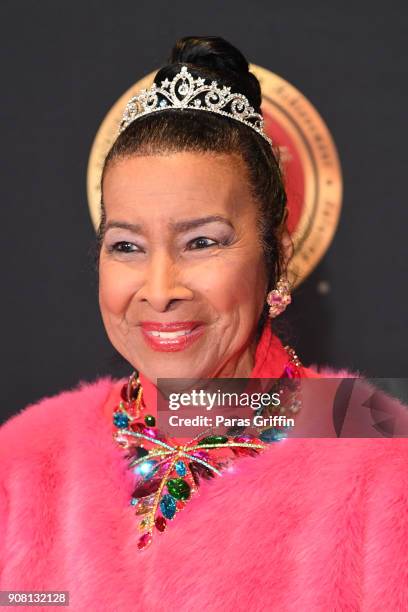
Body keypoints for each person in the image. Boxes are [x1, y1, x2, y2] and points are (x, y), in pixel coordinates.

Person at [1, 36, 407, 611]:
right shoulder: (24, 462)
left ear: (277, 256)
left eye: (202, 242)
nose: (161, 290)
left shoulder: (381, 462)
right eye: (127, 245)